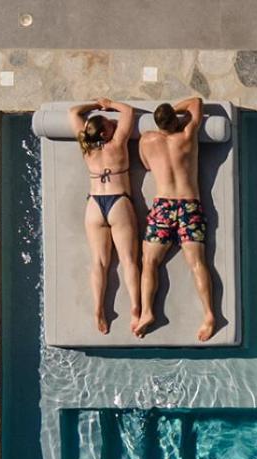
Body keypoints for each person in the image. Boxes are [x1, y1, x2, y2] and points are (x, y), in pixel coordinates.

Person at [136, 97, 218, 341]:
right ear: (175, 120)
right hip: (189, 205)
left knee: (149, 262)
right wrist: (175, 112)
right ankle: (209, 315)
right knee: (197, 263)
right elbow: (196, 103)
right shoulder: (187, 135)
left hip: (163, 206)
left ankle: (147, 312)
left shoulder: (146, 140)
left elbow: (146, 165)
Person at [69, 98, 140, 335]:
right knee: (128, 260)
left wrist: (92, 105)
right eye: (110, 124)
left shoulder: (86, 147)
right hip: (118, 202)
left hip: (94, 205)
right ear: (104, 133)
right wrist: (109, 103)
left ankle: (98, 309)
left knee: (99, 262)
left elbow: (73, 112)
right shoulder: (117, 144)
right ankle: (135, 309)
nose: (113, 123)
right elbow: (128, 111)